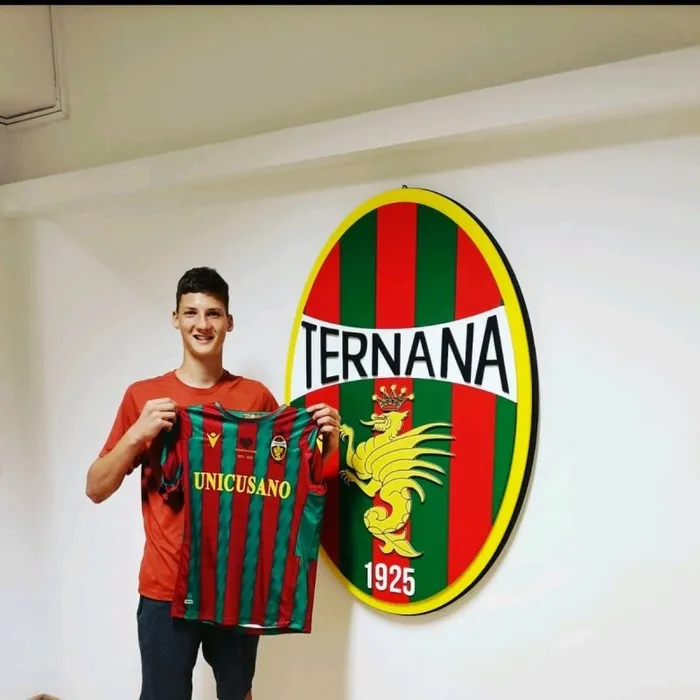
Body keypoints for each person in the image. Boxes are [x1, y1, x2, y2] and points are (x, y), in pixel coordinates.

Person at [85, 267, 341, 700]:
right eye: (191, 313)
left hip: (236, 583)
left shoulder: (257, 398)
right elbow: (95, 487)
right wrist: (137, 433)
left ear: (229, 322)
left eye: (213, 314)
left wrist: (326, 445)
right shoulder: (143, 396)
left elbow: (287, 488)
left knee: (238, 694)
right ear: (175, 318)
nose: (201, 324)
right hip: (166, 587)